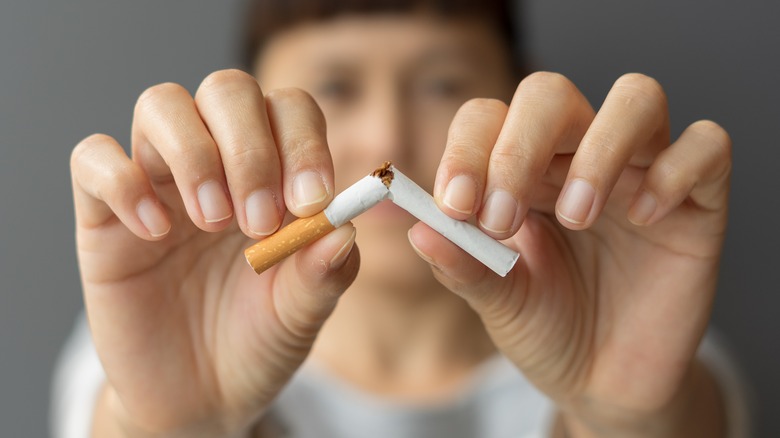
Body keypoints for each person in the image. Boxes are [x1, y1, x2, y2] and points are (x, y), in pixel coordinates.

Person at [52, 0, 751, 437]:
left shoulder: (650, 341)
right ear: (252, 111)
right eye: (335, 85)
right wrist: (180, 432)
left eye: (441, 83)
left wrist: (625, 425)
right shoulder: (135, 355)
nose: (386, 135)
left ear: (515, 95)